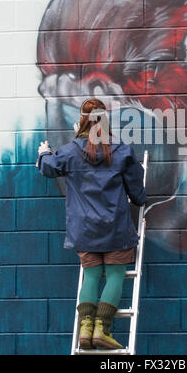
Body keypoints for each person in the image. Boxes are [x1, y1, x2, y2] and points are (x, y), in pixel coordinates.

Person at [36, 98, 147, 350]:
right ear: (105, 120)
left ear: (82, 120)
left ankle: (85, 330)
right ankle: (102, 329)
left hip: (83, 230)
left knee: (92, 275)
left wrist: (43, 152)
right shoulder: (121, 150)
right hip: (116, 228)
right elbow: (136, 189)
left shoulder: (70, 151)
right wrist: (141, 200)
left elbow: (48, 167)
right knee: (116, 275)